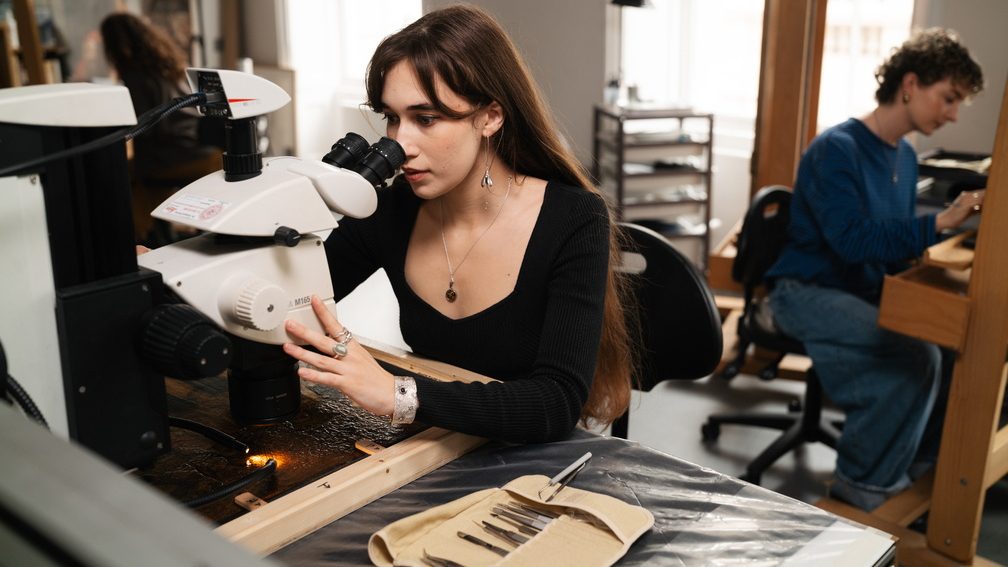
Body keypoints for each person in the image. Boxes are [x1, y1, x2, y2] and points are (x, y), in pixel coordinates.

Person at [281, 5, 633, 443]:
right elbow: (289, 304)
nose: (400, 144)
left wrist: (397, 394)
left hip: (526, 454)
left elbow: (556, 402)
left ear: (490, 117)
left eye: (426, 119)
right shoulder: (391, 210)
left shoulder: (575, 218)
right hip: (435, 443)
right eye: (392, 117)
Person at [766, 28, 984, 510]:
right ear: (910, 84)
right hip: (804, 291)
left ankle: (916, 470)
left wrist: (946, 250)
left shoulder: (904, 155)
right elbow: (853, 242)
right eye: (948, 98)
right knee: (916, 356)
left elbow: (890, 245)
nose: (952, 114)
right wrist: (937, 224)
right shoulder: (837, 148)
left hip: (858, 289)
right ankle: (862, 487)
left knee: (949, 340)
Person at [100, 12, 222, 245]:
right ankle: (154, 231)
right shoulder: (171, 67)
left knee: (117, 175)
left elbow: (144, 128)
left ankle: (141, 237)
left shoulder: (136, 77)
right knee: (131, 173)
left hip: (170, 156)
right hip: (194, 148)